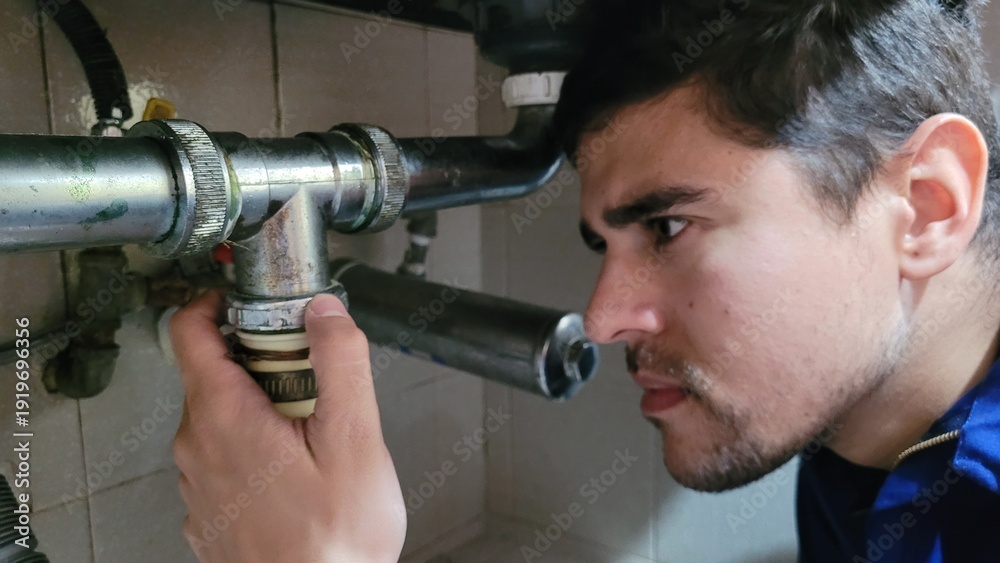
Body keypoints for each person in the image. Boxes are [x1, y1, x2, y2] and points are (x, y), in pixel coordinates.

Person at [170, 0, 1000, 561]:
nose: (600, 320)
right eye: (603, 243)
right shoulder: (863, 449)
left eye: (668, 226)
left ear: (927, 203)